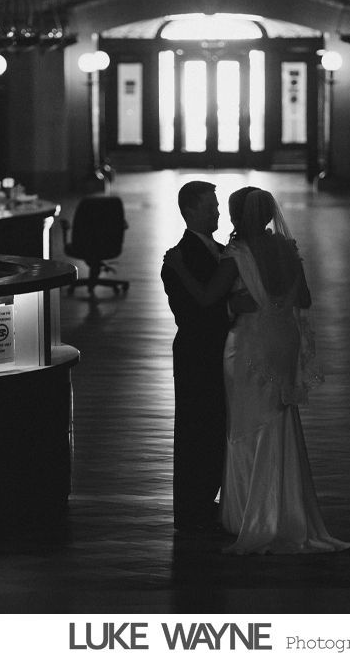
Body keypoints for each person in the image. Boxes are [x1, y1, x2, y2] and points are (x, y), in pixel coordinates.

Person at [164, 188, 350, 555]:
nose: (220, 214)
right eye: (213, 207)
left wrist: (182, 269)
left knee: (245, 426)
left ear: (239, 216)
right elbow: (305, 298)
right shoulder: (285, 248)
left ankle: (248, 512)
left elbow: (207, 298)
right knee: (279, 421)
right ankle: (285, 507)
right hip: (281, 343)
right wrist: (274, 302)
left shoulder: (236, 253)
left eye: (224, 209)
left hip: (248, 347)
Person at [161, 180, 230, 533]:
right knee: (196, 430)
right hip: (198, 352)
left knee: (216, 427)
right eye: (211, 207)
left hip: (221, 350)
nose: (218, 212)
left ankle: (208, 498)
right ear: (189, 210)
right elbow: (195, 312)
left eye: (216, 206)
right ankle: (193, 506)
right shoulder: (179, 259)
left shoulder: (221, 251)